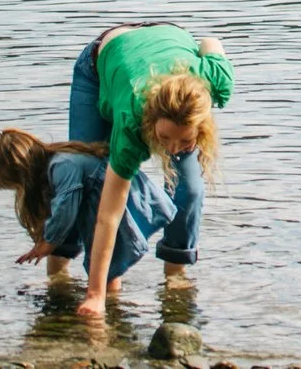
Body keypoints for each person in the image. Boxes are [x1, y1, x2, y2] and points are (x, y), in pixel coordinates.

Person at [61, 24, 231, 317]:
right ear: (151, 123)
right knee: (87, 176)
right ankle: (64, 272)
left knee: (189, 188)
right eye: (164, 139)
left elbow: (210, 41)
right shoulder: (132, 122)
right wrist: (95, 295)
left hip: (167, 44)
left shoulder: (216, 82)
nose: (173, 149)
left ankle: (175, 276)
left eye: (185, 140)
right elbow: (109, 214)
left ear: (201, 127)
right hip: (100, 64)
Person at [0, 128, 175, 299]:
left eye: (16, 185)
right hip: (97, 201)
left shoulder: (60, 165)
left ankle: (112, 306)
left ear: (22, 171)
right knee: (97, 261)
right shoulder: (55, 160)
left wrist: (49, 243)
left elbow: (66, 206)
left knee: (108, 265)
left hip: (110, 200)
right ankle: (64, 287)